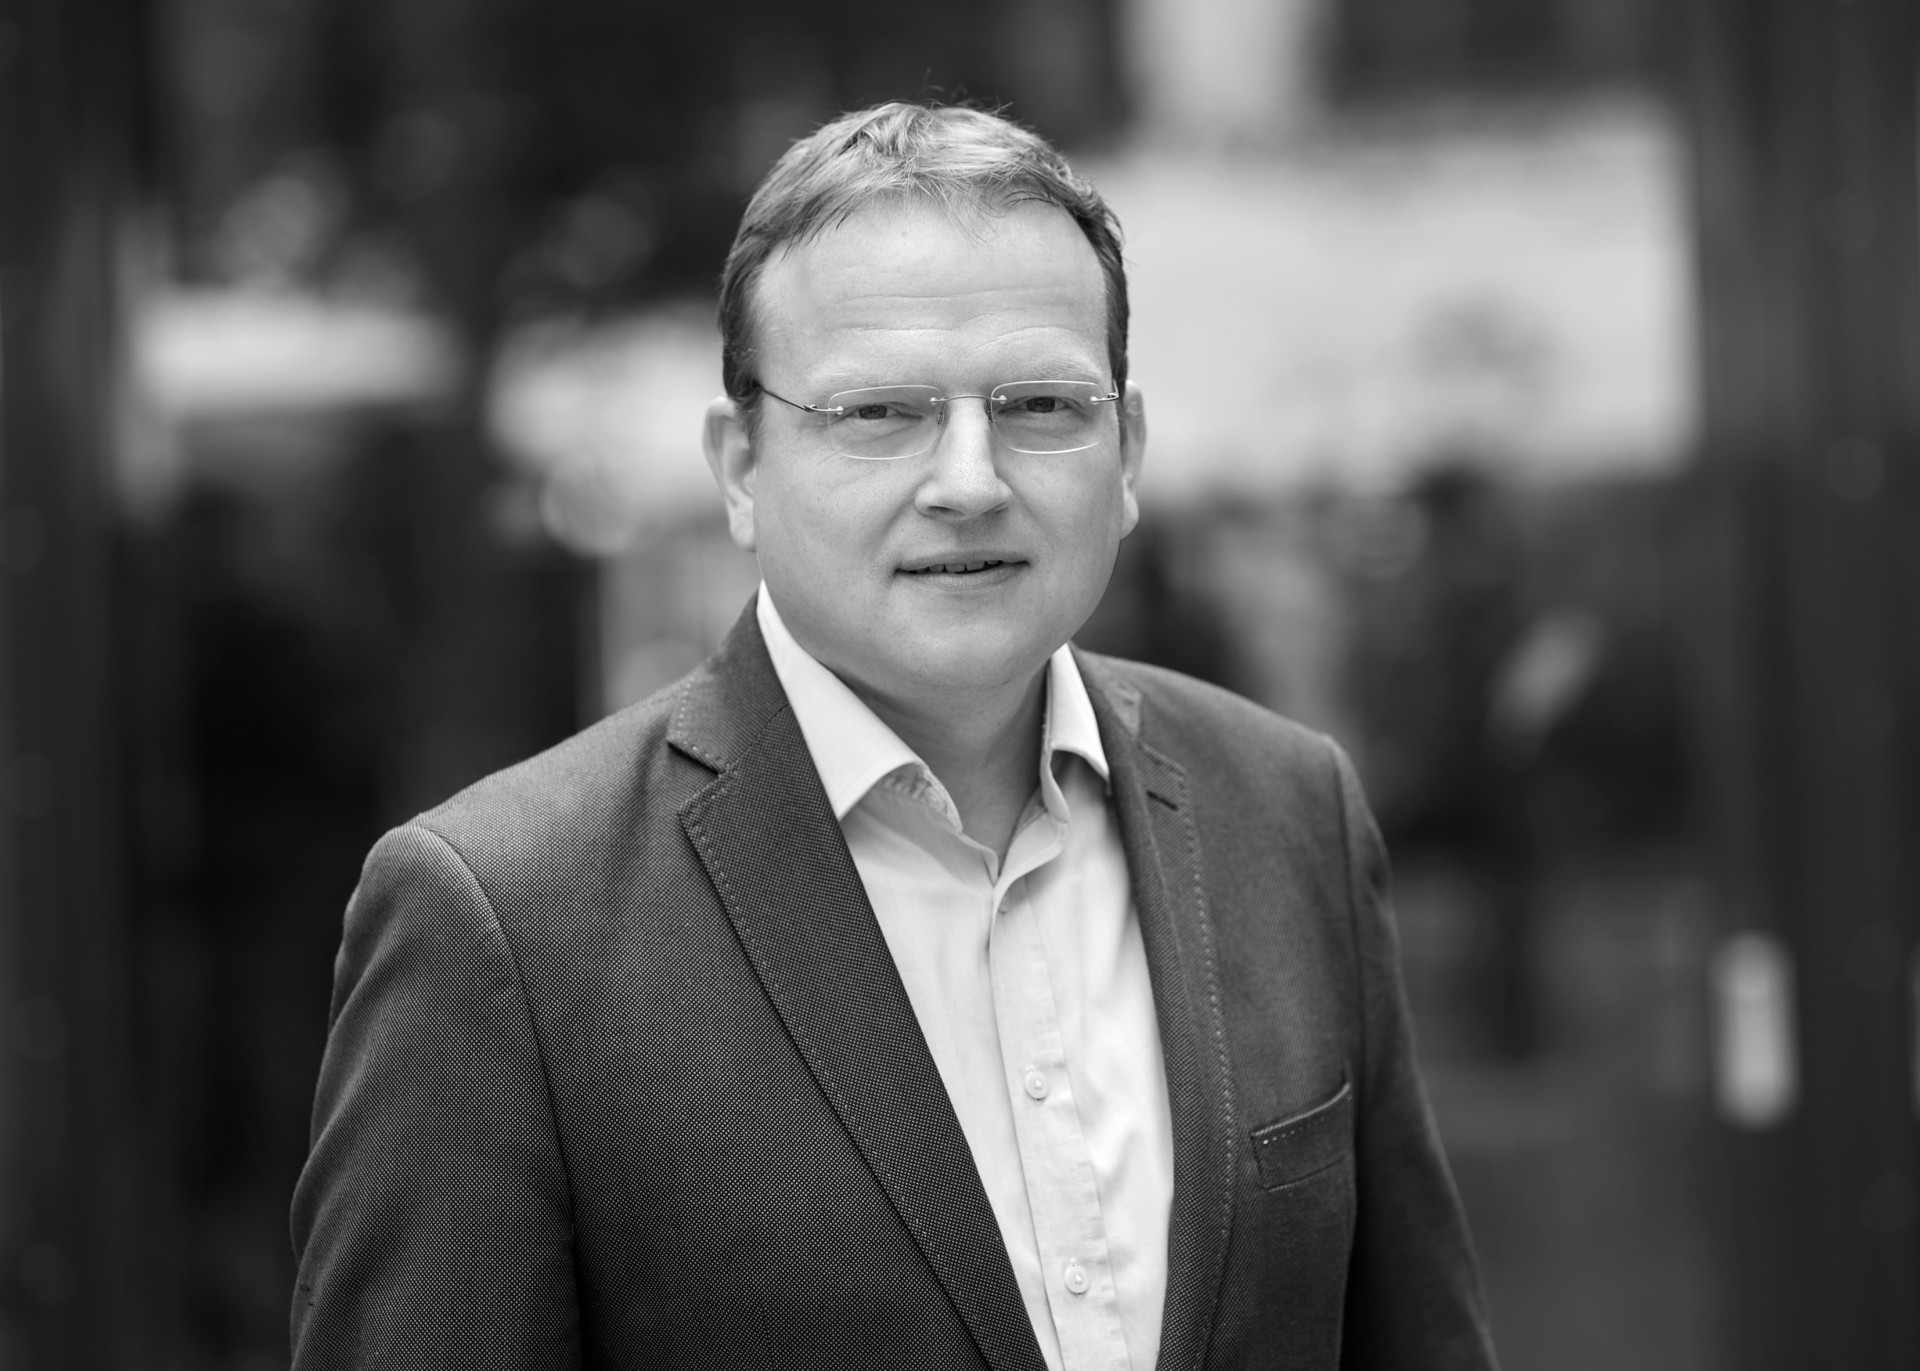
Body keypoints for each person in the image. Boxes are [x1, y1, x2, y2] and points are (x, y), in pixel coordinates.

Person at [291, 101, 1497, 1371]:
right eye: (878, 413)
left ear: (1128, 452)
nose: (970, 480)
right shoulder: (503, 920)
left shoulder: (1286, 809)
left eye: (1041, 402)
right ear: (741, 467)